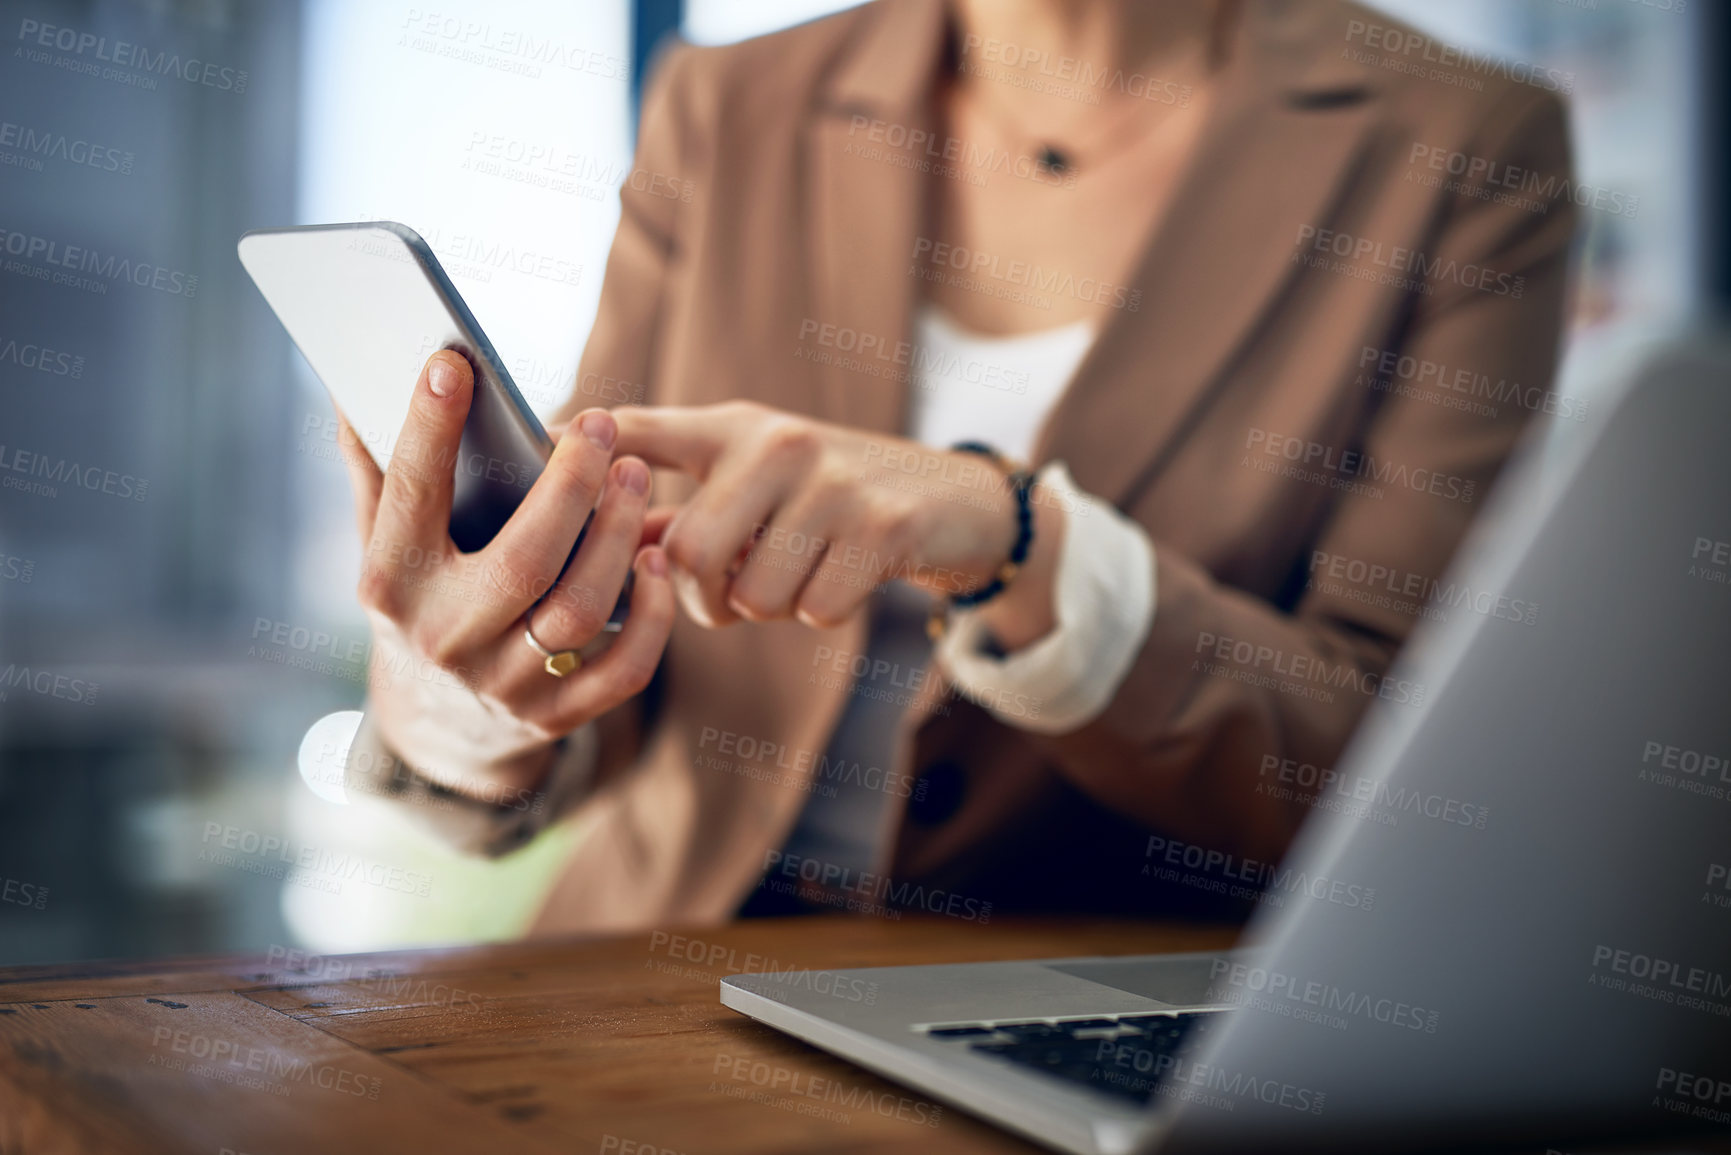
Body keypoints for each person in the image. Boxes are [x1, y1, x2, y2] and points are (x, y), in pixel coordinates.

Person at [339, 0, 1576, 932]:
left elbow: (1395, 773)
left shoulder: (1466, 147)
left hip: (1096, 1027)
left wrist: (1019, 541)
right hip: (644, 994)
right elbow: (599, 643)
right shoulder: (724, 106)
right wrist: (457, 703)